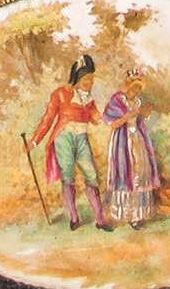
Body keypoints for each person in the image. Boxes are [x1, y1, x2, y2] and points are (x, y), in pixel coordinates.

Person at [30, 51, 110, 229]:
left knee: (91, 175)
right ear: (77, 78)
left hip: (82, 138)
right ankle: (74, 217)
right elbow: (47, 119)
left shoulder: (89, 99)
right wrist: (34, 141)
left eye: (92, 79)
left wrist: (101, 118)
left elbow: (94, 118)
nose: (90, 83)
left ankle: (100, 220)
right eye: (86, 79)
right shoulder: (60, 94)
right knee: (68, 177)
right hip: (63, 139)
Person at [102, 81, 162, 226]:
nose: (137, 90)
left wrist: (144, 112)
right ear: (127, 85)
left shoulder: (138, 102)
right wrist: (131, 114)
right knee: (126, 173)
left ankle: (137, 215)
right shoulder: (116, 101)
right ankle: (125, 213)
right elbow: (113, 124)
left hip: (137, 139)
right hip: (122, 141)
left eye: (139, 88)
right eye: (135, 86)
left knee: (140, 173)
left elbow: (139, 120)